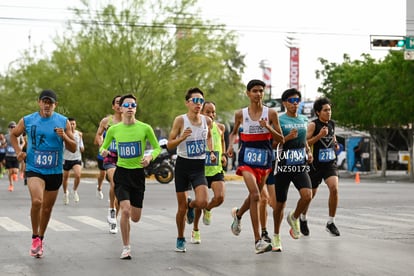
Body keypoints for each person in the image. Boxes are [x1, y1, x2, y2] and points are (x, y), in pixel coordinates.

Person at [10, 89, 76, 258]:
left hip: (54, 171)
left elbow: (73, 147)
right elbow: (14, 134)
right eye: (44, 101)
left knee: (47, 208)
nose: (47, 105)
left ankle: (41, 238)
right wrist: (18, 151)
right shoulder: (28, 120)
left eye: (50, 102)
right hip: (34, 168)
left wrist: (64, 138)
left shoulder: (63, 122)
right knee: (37, 201)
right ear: (39, 102)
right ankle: (34, 236)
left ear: (55, 105)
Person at [100, 93, 161, 259]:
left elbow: (157, 148)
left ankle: (126, 222)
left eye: (132, 105)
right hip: (122, 173)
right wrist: (104, 151)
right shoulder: (113, 129)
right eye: (126, 105)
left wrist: (149, 157)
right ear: (120, 108)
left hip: (138, 175)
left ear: (136, 108)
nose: (129, 108)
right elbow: (102, 147)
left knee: (135, 217)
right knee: (125, 210)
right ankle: (126, 247)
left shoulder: (145, 128)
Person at [226, 79, 284, 254]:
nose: (258, 94)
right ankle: (258, 241)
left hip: (264, 160)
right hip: (247, 160)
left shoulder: (271, 113)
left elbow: (280, 139)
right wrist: (230, 146)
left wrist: (268, 127)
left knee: (254, 197)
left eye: (261, 91)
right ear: (248, 93)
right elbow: (234, 132)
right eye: (255, 91)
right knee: (255, 195)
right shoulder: (240, 114)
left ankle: (238, 214)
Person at [167, 87, 216, 253]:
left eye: (201, 101)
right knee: (181, 208)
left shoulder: (206, 121)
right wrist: (182, 138)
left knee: (203, 202)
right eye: (195, 101)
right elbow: (169, 144)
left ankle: (191, 205)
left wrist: (211, 151)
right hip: (182, 166)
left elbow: (209, 137)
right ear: (187, 103)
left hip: (198, 166)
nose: (198, 104)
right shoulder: (180, 121)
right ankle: (180, 238)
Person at [271, 88, 313, 252]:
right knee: (280, 204)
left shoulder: (304, 119)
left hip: (299, 164)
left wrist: (308, 152)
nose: (295, 104)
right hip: (283, 164)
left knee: (307, 195)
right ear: (285, 103)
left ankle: (294, 216)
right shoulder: (280, 120)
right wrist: (287, 138)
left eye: (297, 101)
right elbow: (273, 145)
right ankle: (276, 236)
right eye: (291, 101)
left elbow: (304, 141)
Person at [300, 97, 340, 237]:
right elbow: (304, 142)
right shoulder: (313, 125)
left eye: (330, 110)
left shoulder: (332, 124)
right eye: (325, 110)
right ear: (318, 112)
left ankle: (331, 222)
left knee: (334, 188)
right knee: (310, 195)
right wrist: (319, 136)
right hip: (314, 165)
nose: (329, 112)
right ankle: (303, 218)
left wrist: (334, 143)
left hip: (329, 163)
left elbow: (332, 137)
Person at [191, 101, 227, 244]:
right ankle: (195, 230)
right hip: (201, 171)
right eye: (208, 112)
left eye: (213, 112)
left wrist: (223, 155)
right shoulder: (197, 128)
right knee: (200, 202)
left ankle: (208, 209)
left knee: (220, 197)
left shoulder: (220, 127)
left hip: (216, 169)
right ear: (201, 113)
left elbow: (223, 141)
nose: (211, 115)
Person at [95, 95, 122, 234]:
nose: (120, 105)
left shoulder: (130, 121)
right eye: (117, 103)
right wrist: (102, 146)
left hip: (124, 157)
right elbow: (98, 136)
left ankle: (114, 219)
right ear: (113, 106)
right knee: (115, 182)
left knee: (121, 190)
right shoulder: (107, 121)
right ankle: (111, 209)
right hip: (110, 155)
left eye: (122, 103)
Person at [62, 117, 85, 205]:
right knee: (65, 178)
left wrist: (81, 147)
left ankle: (74, 190)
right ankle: (65, 193)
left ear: (75, 125)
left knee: (78, 175)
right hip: (66, 159)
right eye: (70, 124)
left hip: (76, 158)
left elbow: (82, 148)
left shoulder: (78, 134)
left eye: (73, 124)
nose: (72, 126)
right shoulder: (64, 134)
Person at [5, 121, 25, 191]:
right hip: (8, 155)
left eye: (14, 127)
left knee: (16, 171)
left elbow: (23, 142)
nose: (13, 128)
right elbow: (4, 144)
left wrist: (21, 147)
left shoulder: (19, 135)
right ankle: (11, 185)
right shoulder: (6, 136)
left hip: (16, 155)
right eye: (11, 127)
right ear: (9, 128)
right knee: (10, 172)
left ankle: (15, 174)